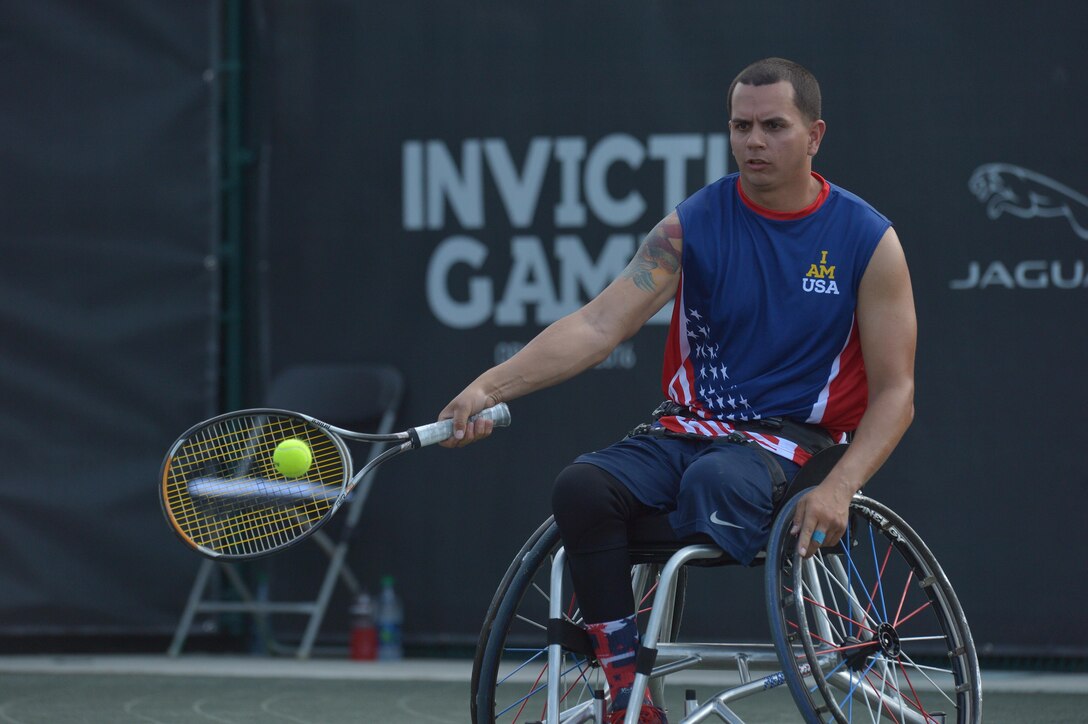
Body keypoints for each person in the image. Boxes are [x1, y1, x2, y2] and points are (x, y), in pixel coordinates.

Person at [440, 57, 916, 724]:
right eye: (740, 126)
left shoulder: (868, 241)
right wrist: (489, 385)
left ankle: (637, 591)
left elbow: (897, 392)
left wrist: (841, 489)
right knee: (581, 490)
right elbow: (600, 324)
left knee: (714, 486)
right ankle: (627, 690)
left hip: (793, 445)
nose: (753, 141)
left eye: (773, 126)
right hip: (685, 431)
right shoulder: (692, 225)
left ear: (815, 135)